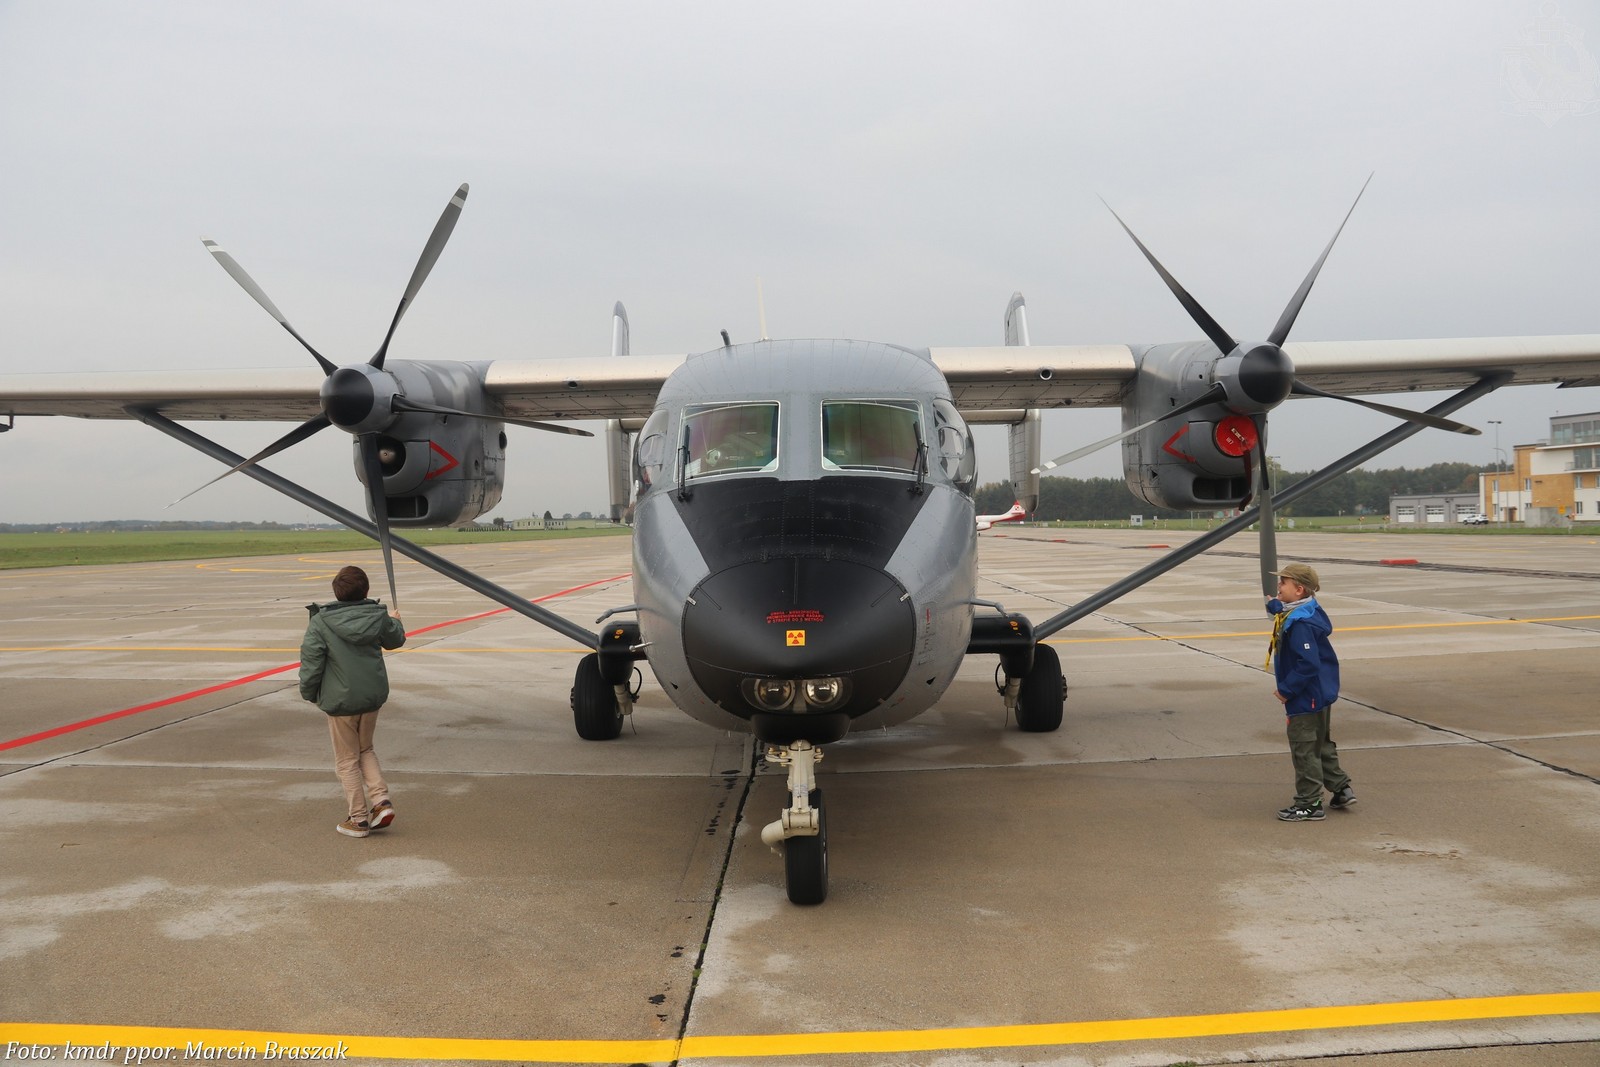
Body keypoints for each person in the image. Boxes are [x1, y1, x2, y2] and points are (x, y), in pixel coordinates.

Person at [299, 565, 406, 838]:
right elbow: (395, 640)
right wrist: (395, 621)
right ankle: (380, 801)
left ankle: (358, 818)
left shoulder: (321, 622)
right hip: (371, 696)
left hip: (340, 701)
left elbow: (312, 663)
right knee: (365, 749)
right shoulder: (377, 616)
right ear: (365, 591)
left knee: (346, 760)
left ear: (336, 593)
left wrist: (309, 693)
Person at [1264, 563, 1355, 822]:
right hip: (1320, 692)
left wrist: (1286, 690)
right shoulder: (1309, 609)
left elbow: (1309, 663)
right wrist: (1275, 605)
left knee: (1304, 748)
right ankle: (1341, 789)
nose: (1278, 587)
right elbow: (1286, 610)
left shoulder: (1301, 624)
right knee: (1320, 744)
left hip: (1306, 695)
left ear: (1299, 588)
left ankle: (1309, 803)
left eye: (1283, 583)